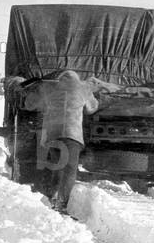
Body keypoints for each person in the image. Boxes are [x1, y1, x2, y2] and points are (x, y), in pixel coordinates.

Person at [22, 70, 99, 210]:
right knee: (69, 171)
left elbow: (30, 105)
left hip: (53, 134)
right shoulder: (83, 88)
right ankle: (62, 205)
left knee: (56, 166)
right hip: (72, 136)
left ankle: (50, 198)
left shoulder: (49, 87)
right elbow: (92, 108)